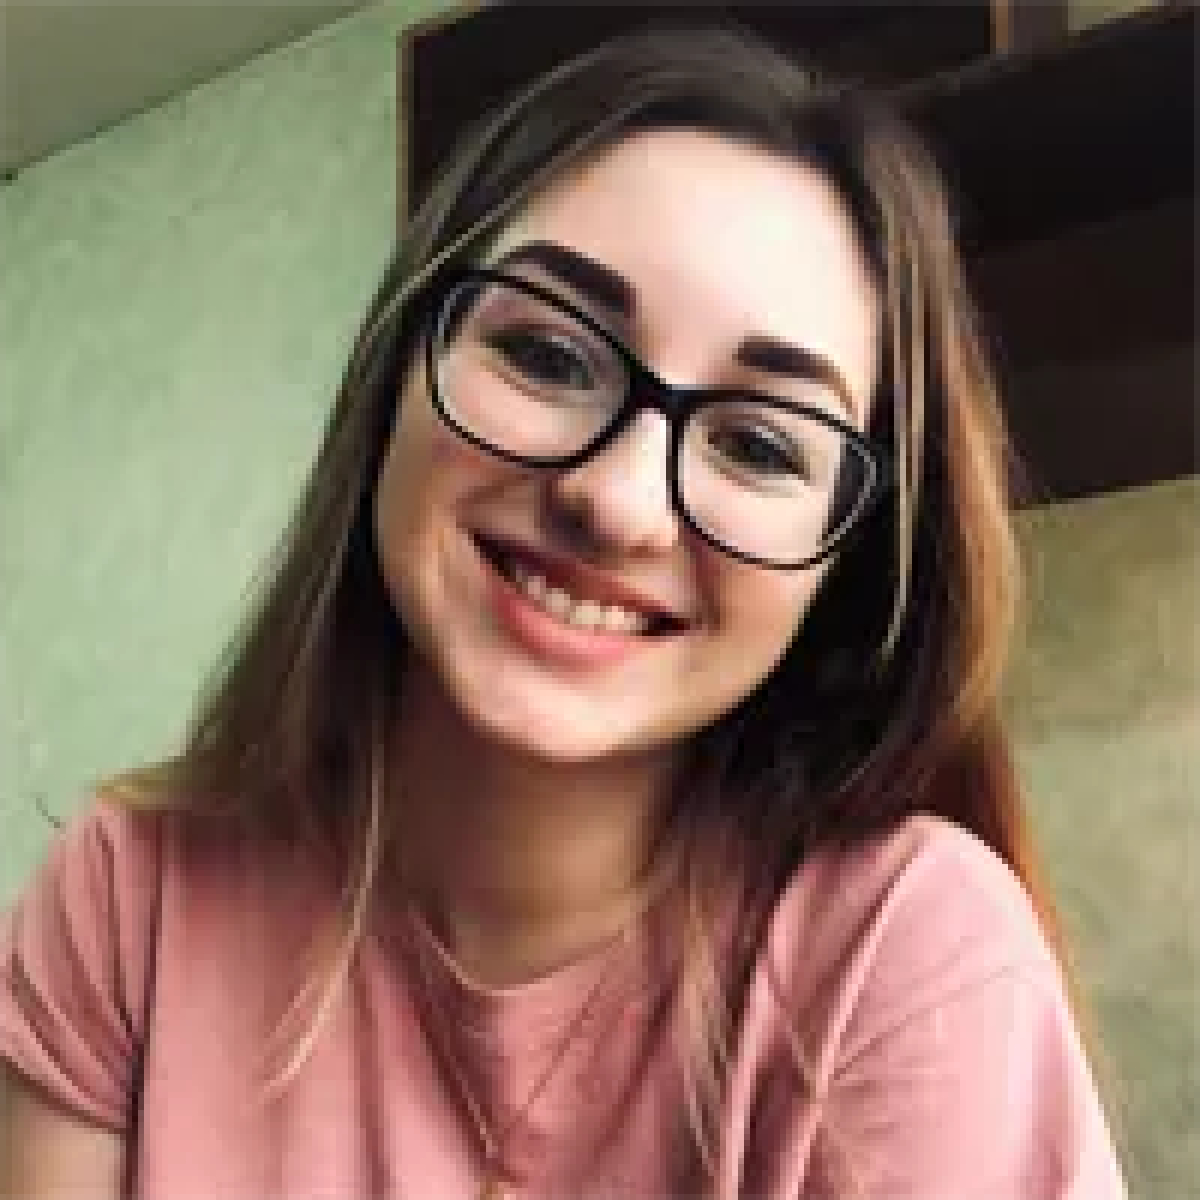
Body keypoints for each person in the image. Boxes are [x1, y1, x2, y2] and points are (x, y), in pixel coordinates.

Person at [1, 22, 1126, 1199]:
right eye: (547, 355)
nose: (620, 502)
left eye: (757, 444)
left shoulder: (905, 956)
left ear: (845, 562)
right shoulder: (134, 892)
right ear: (399, 366)